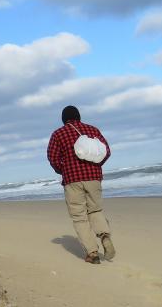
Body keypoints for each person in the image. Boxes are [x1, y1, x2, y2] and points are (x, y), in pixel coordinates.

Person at [47, 105, 115, 264]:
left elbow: (52, 157)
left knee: (79, 216)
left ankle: (92, 253)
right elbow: (106, 151)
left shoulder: (58, 134)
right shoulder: (93, 130)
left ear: (64, 119)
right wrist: (97, 165)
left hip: (72, 179)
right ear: (79, 116)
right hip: (94, 177)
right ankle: (104, 236)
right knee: (95, 210)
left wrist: (62, 169)